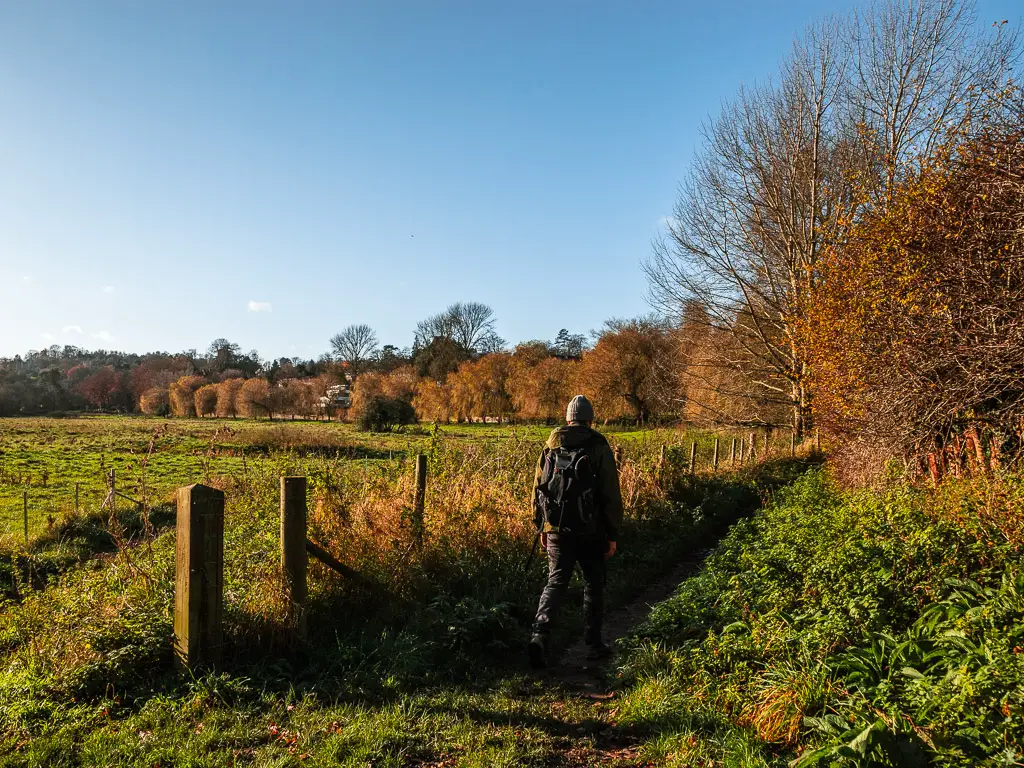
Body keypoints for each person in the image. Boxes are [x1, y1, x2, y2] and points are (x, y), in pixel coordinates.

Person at [528, 394, 623, 668]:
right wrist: (612, 534)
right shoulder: (597, 445)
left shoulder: (550, 445)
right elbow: (610, 494)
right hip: (591, 531)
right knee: (593, 583)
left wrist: (542, 526)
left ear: (568, 418)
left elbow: (538, 488)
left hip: (557, 527)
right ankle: (593, 645)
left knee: (555, 581)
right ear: (589, 419)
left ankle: (539, 635)